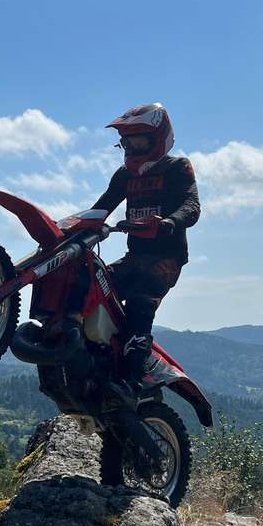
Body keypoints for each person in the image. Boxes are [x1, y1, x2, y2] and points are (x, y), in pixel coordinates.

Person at [93, 103, 200, 387]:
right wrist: (74, 226)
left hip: (165, 259)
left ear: (157, 138)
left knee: (141, 302)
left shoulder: (178, 167)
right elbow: (102, 207)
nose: (130, 146)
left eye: (136, 139)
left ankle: (136, 371)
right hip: (134, 256)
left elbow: (192, 205)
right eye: (126, 141)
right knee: (94, 283)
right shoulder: (125, 175)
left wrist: (169, 222)